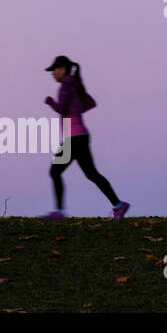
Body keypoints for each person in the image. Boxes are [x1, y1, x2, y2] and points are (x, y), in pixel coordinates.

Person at [40, 55, 129, 220]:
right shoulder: (74, 85)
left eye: (54, 70)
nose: (52, 74)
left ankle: (59, 212)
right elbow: (90, 103)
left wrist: (50, 102)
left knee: (55, 171)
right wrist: (77, 111)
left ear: (62, 69)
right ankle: (119, 205)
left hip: (73, 139)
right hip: (81, 136)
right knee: (92, 174)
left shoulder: (66, 86)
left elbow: (62, 109)